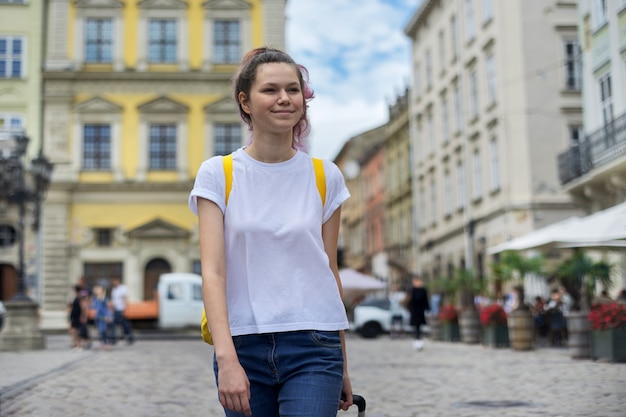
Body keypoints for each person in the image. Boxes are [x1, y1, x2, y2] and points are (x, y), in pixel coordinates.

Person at [188, 47, 353, 417]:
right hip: (244, 346)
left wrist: (343, 361)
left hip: (315, 345)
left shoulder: (326, 176)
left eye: (293, 90)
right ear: (245, 102)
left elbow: (328, 270)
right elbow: (212, 272)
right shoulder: (218, 173)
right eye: (271, 90)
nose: (284, 99)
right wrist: (226, 359)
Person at [407, 276, 430, 351]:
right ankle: (417, 341)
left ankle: (419, 341)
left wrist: (427, 309)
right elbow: (409, 301)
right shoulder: (411, 290)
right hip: (414, 311)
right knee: (416, 327)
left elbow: (425, 300)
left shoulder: (423, 290)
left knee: (419, 327)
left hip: (420, 311)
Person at [110, 277, 134, 345]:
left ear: (118, 281)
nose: (114, 283)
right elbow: (114, 300)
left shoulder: (123, 288)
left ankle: (129, 336)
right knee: (116, 323)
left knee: (123, 324)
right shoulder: (114, 289)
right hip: (116, 309)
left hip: (121, 309)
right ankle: (114, 338)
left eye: (115, 281)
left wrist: (125, 309)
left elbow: (125, 299)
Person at [91, 285, 113, 350]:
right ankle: (103, 343)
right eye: (97, 290)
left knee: (105, 330)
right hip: (98, 317)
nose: (98, 291)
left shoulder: (105, 298)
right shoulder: (95, 299)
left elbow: (109, 308)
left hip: (105, 317)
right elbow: (93, 307)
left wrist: (109, 316)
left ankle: (107, 343)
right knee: (101, 331)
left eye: (99, 290)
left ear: (103, 291)